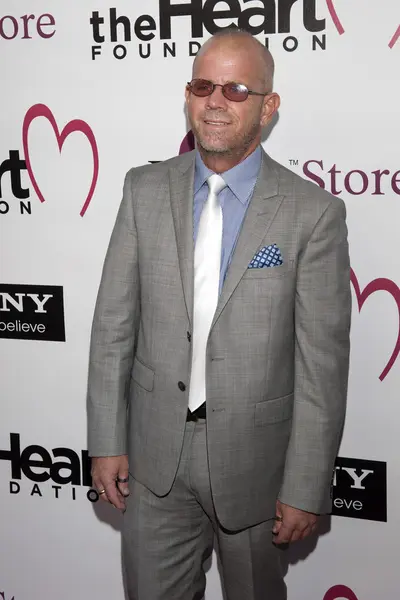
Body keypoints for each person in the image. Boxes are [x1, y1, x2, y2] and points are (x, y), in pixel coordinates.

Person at [87, 28, 351, 600]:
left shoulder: (313, 214)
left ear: (268, 105)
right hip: (154, 463)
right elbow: (113, 328)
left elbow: (321, 367)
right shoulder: (143, 189)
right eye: (203, 85)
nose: (214, 101)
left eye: (235, 89)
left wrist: (306, 484)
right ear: (188, 94)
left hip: (258, 467)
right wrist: (106, 440)